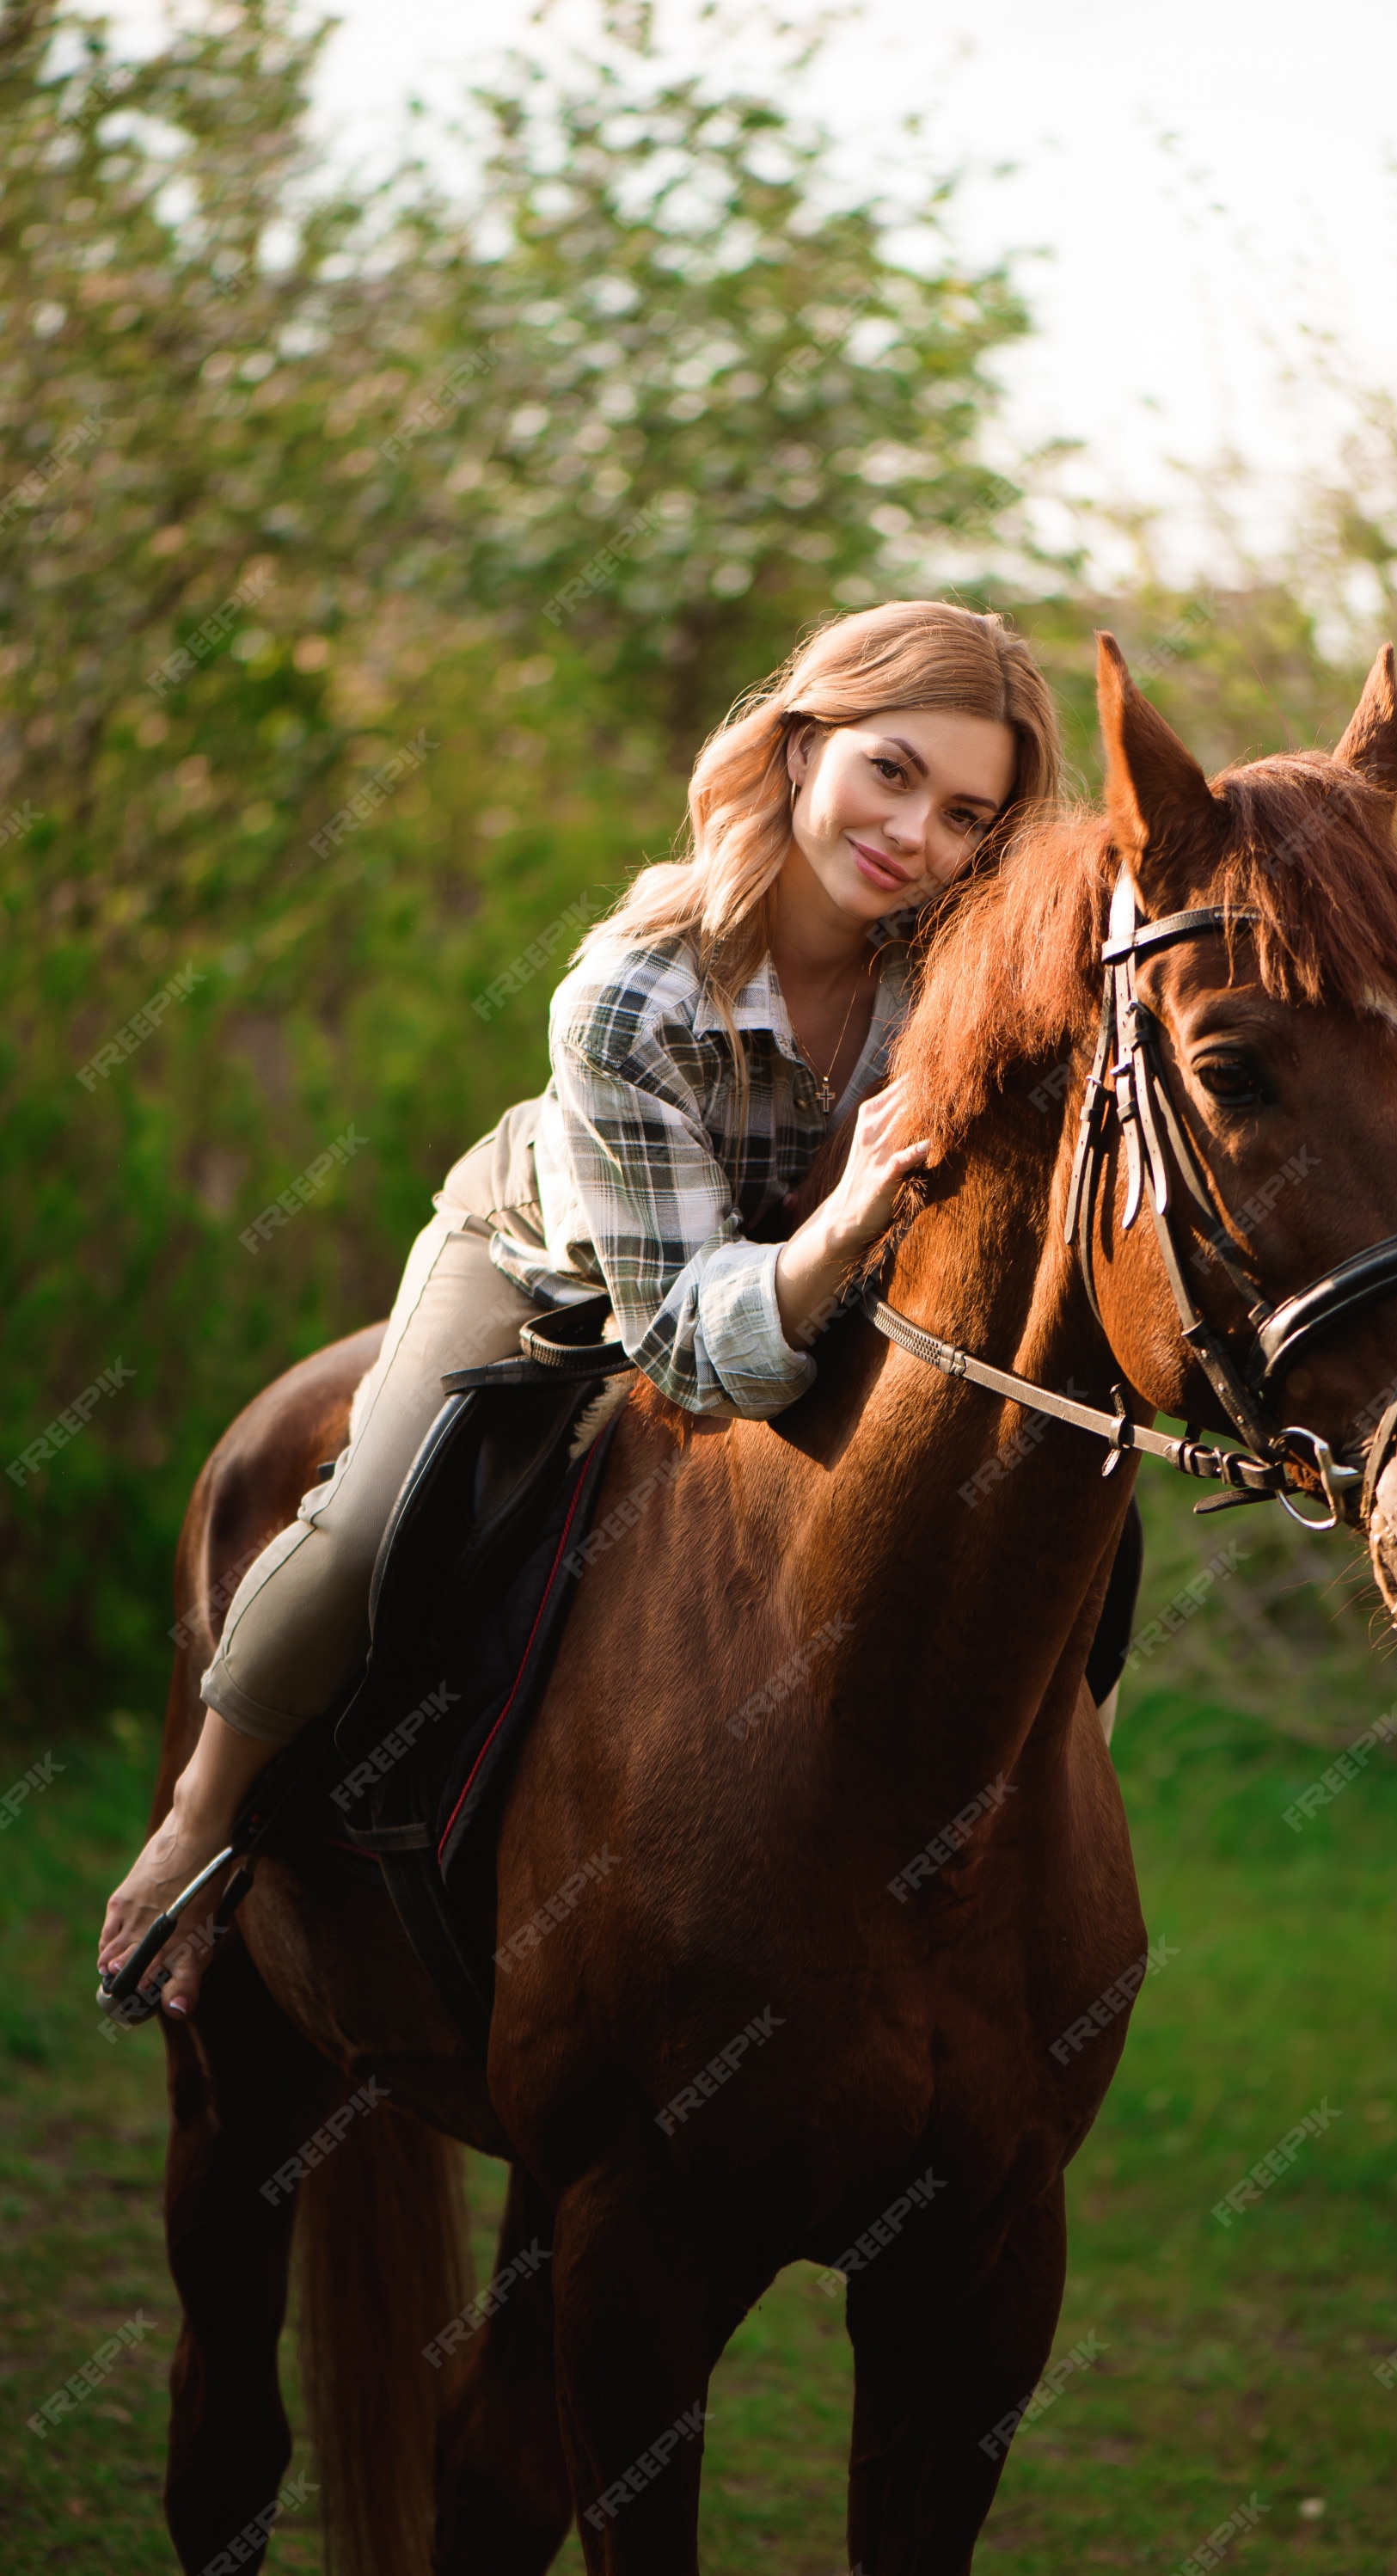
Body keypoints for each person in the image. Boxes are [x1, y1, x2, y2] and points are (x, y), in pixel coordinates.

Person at [99, 599, 1063, 2016]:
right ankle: (199, 1821)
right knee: (370, 1519)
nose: (916, 835)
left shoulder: (958, 977)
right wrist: (848, 1219)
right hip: (557, 1264)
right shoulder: (631, 990)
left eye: (969, 813)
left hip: (824, 1277)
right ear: (804, 748)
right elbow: (681, 1342)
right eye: (893, 771)